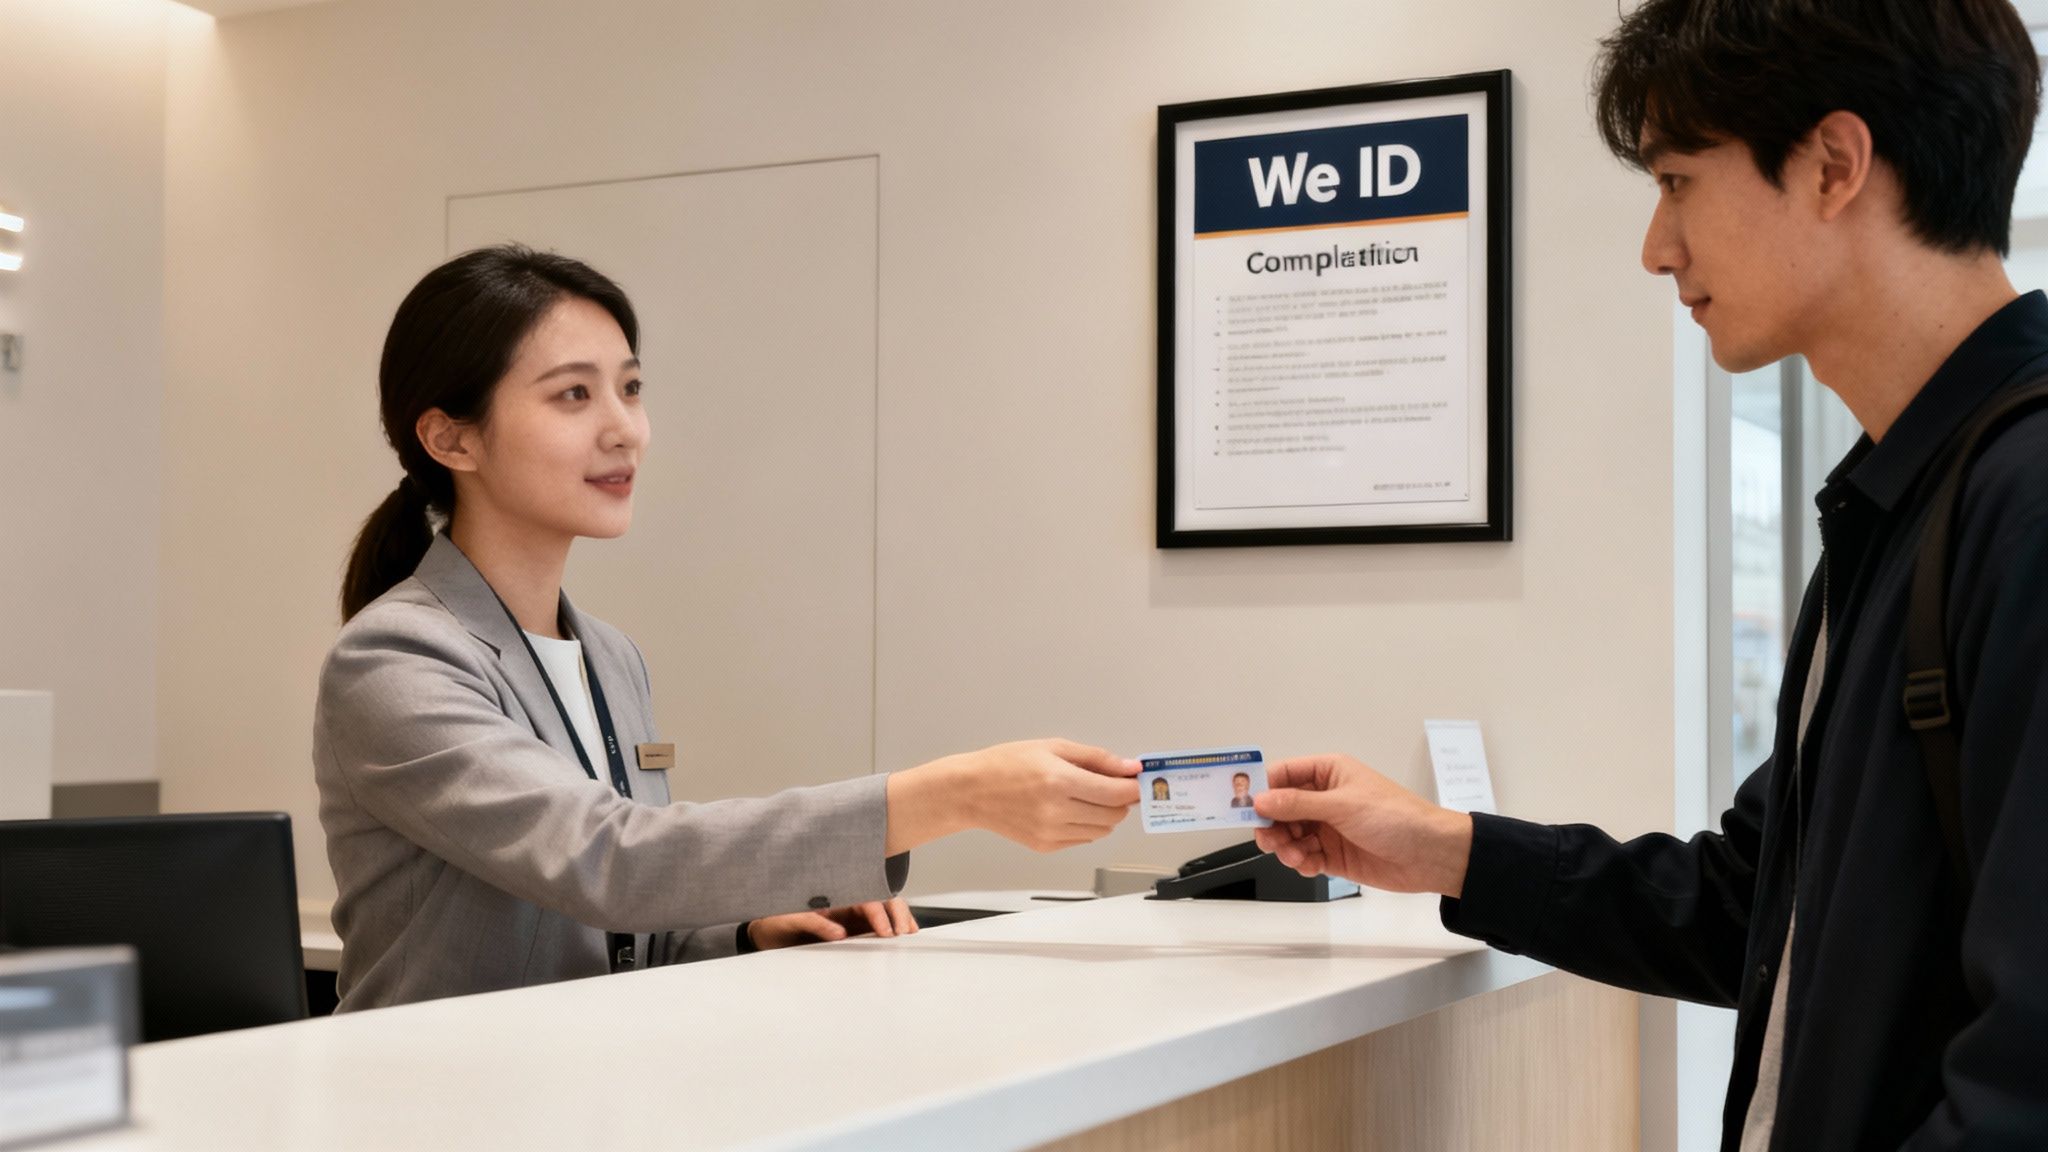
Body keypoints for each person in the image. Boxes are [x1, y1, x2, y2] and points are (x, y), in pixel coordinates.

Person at [1254, 2, 2048, 1148]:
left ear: (1832, 164)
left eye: (1676, 179)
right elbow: (1748, 910)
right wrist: (1442, 845)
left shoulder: (2018, 502)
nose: (1655, 245)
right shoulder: (1898, 500)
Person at [314, 245, 1141, 1012]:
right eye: (574, 394)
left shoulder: (610, 657)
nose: (624, 428)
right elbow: (610, 860)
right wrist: (952, 794)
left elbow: (622, 928)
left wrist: (745, 932)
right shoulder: (394, 660)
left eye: (630, 389)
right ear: (449, 436)